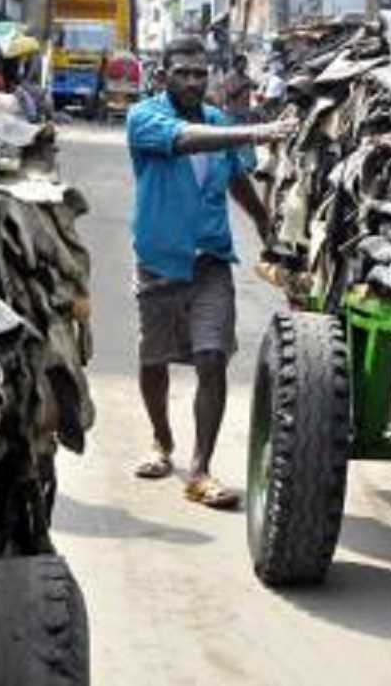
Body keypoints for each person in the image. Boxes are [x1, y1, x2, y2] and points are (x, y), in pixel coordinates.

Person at [125, 36, 295, 508]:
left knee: (212, 356)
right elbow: (184, 142)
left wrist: (263, 223)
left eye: (201, 73)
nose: (194, 81)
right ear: (163, 76)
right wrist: (256, 133)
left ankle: (200, 470)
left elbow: (237, 177)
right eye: (183, 72)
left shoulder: (220, 121)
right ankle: (162, 441)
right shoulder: (145, 118)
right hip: (159, 257)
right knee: (153, 359)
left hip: (212, 259)